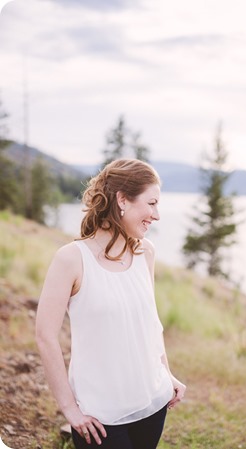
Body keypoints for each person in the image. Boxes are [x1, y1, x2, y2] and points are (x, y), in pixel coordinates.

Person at [36, 158, 186, 449]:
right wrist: (69, 409)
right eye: (151, 203)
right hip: (99, 417)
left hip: (153, 403)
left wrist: (166, 374)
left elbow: (150, 325)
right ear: (122, 200)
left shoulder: (146, 253)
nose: (156, 215)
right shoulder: (71, 259)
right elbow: (45, 336)